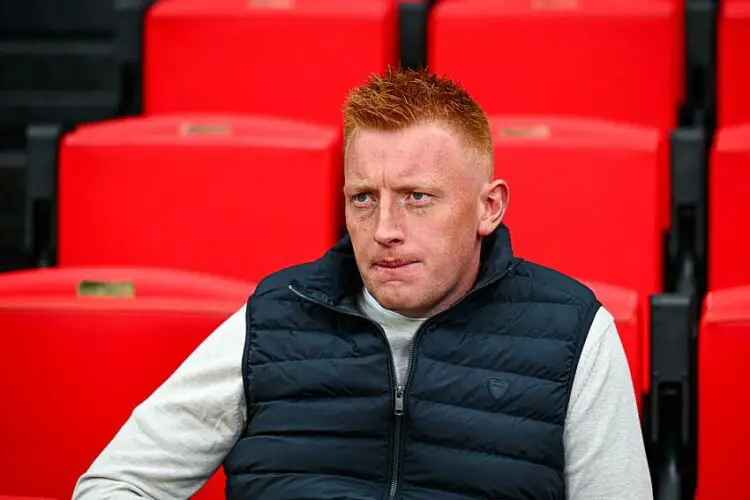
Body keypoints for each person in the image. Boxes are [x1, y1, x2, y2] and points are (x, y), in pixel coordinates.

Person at [73, 68, 652, 500]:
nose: (385, 230)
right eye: (363, 198)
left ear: (489, 207)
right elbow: (115, 483)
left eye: (417, 198)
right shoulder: (274, 317)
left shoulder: (575, 333)